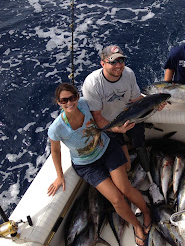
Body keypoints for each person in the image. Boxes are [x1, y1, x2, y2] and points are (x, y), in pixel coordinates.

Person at [47, 83, 150, 245]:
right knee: (116, 199)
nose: (69, 103)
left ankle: (147, 212)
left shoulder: (85, 105)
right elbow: (56, 151)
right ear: (58, 102)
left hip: (107, 150)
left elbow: (104, 114)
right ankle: (136, 225)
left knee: (125, 189)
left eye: (72, 98)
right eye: (64, 100)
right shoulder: (56, 128)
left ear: (78, 97)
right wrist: (59, 176)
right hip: (87, 165)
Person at [82, 45, 165, 171]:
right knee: (123, 165)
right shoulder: (92, 83)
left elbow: (136, 99)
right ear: (102, 63)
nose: (118, 65)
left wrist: (154, 105)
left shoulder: (128, 73)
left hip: (131, 117)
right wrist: (115, 129)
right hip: (108, 124)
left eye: (121, 61)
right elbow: (97, 115)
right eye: (113, 62)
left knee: (140, 142)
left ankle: (143, 162)